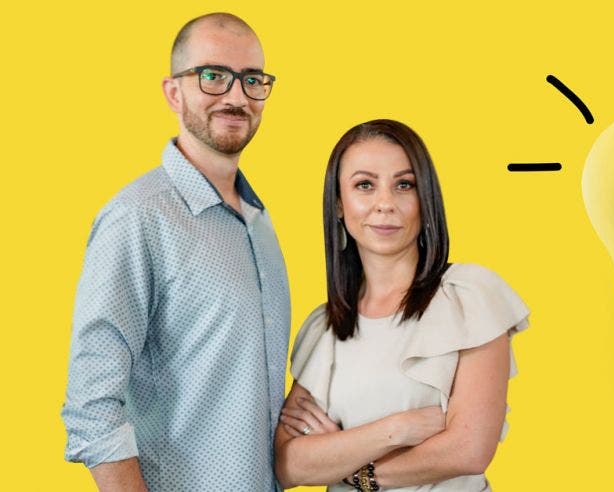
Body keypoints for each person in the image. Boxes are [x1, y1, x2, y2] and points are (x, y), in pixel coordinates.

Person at [61, 13, 290, 491]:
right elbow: (91, 405)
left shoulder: (259, 222)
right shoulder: (138, 216)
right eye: (212, 76)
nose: (235, 96)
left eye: (252, 80)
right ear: (173, 92)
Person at [274, 119, 530, 491]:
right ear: (339, 206)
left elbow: (469, 449)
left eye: (404, 185)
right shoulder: (325, 327)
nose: (385, 204)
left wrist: (344, 464)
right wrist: (396, 431)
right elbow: (287, 465)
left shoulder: (470, 297)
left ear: (425, 201)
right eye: (365, 185)